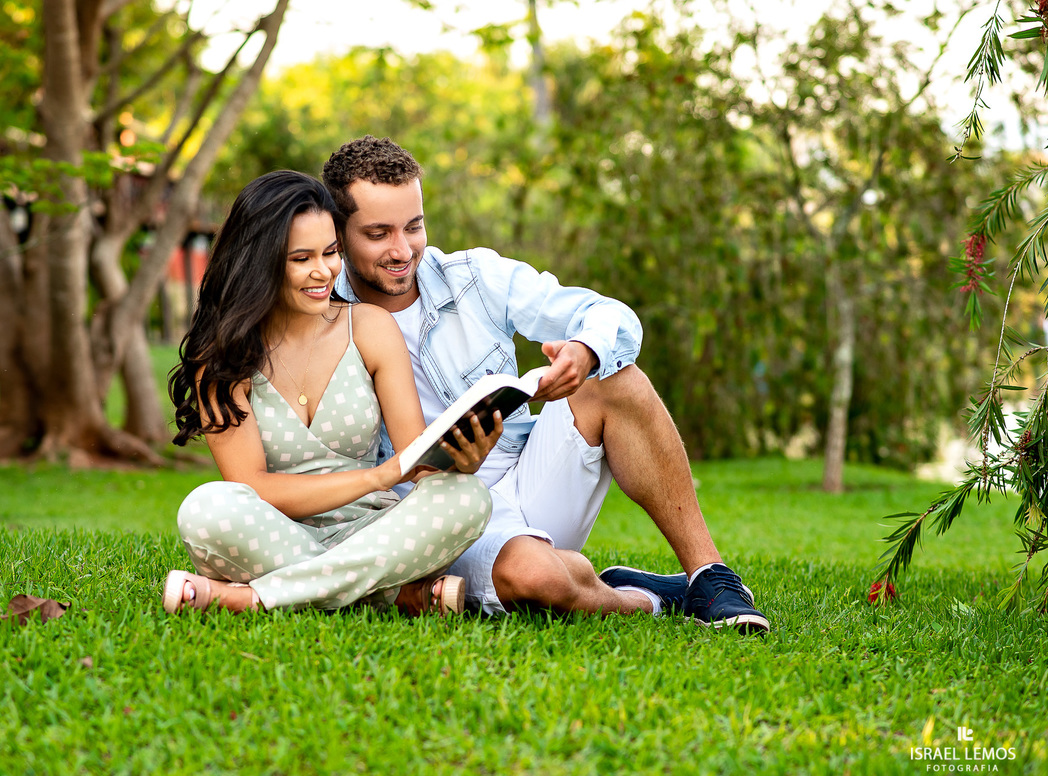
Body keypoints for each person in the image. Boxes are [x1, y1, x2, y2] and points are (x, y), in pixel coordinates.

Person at [321, 136, 768, 632]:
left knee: (611, 374)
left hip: (528, 476)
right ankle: (645, 597)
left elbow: (605, 314)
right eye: (379, 233)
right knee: (541, 581)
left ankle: (710, 576)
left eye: (414, 226)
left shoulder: (473, 277)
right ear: (338, 235)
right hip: (434, 518)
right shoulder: (320, 317)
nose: (403, 250)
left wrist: (584, 351)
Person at [162, 170, 500, 616]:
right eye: (301, 258)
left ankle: (253, 598)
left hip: (375, 531)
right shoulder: (221, 357)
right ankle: (391, 595)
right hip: (271, 532)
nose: (323, 272)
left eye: (331, 252)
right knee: (205, 508)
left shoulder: (370, 327)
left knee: (467, 497)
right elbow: (253, 486)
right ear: (260, 263)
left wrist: (461, 461)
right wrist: (377, 478)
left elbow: (415, 465)